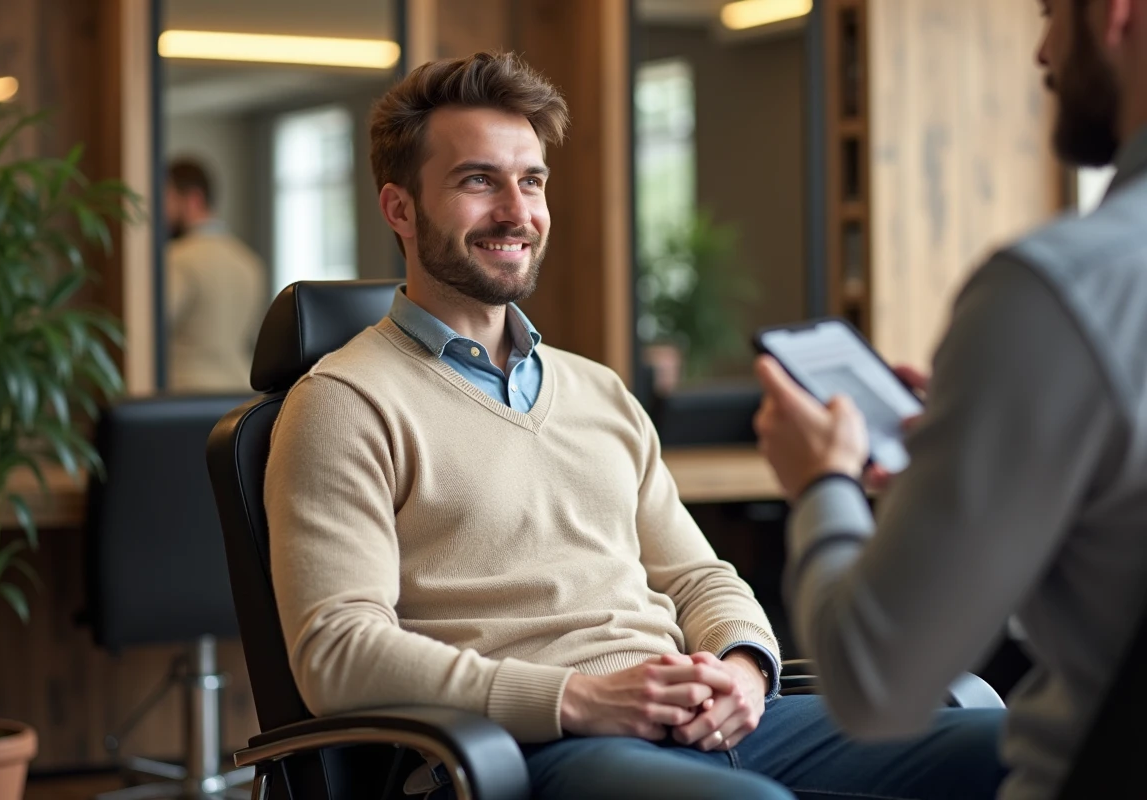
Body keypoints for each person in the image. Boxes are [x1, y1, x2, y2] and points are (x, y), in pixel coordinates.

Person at [264, 52, 1005, 800]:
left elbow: (698, 578)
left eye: (531, 181)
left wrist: (744, 669)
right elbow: (338, 653)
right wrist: (576, 699)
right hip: (532, 754)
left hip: (704, 725)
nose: (517, 212)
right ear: (399, 209)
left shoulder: (599, 391)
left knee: (1014, 747)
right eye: (477, 180)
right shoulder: (342, 402)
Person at [752, 1, 1147, 798]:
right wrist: (984, 446)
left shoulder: (1057, 291)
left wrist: (821, 485)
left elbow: (876, 683)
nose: (1040, 51)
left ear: (1114, 14)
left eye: (1048, 15)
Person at [163, 157, 266, 392]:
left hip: (186, 393)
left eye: (167, 198)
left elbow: (151, 328)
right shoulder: (249, 261)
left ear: (193, 199)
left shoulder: (176, 258)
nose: (163, 211)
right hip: (240, 392)